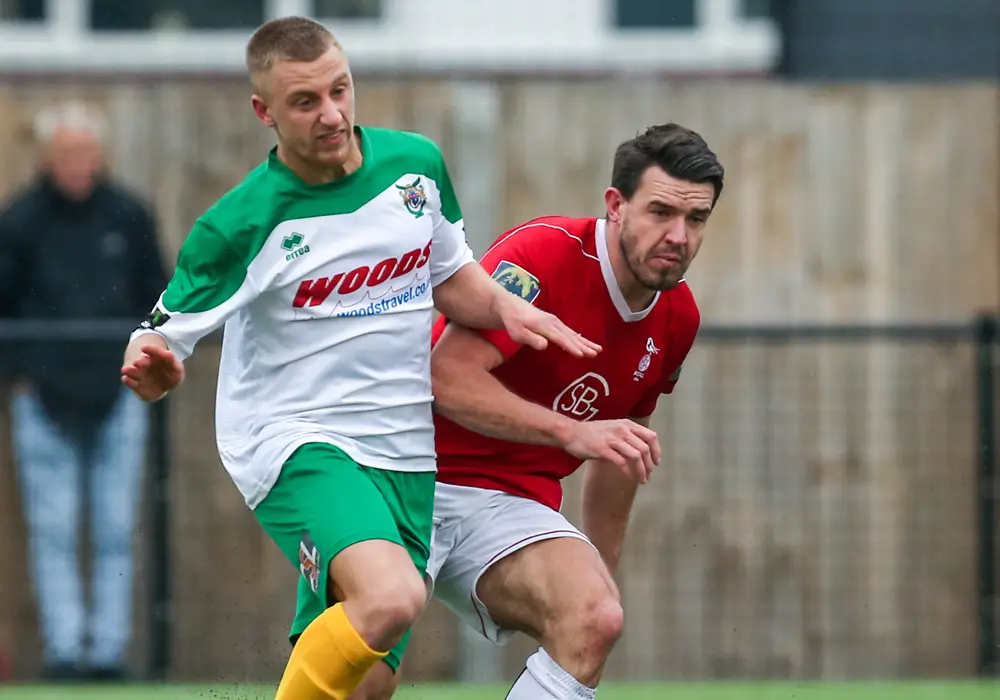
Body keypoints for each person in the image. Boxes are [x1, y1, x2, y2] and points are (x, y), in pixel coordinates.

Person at [118, 16, 612, 700]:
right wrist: (155, 371)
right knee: (392, 598)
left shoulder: (414, 167)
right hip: (299, 443)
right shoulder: (240, 224)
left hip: (404, 453)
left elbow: (450, 277)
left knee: (365, 685)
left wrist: (508, 308)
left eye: (340, 90)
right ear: (264, 111)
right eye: (305, 102)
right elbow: (156, 340)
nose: (332, 114)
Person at [350, 122, 724, 700]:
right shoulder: (545, 254)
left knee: (595, 618)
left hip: (507, 505)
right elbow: (446, 379)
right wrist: (571, 432)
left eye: (695, 219)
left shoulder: (678, 318)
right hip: (400, 476)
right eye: (661, 212)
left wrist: (598, 574)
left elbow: (618, 450)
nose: (678, 234)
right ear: (616, 205)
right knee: (364, 680)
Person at [0, 101, 167, 682]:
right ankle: (66, 650)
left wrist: (148, 366)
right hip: (41, 400)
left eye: (86, 152)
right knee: (53, 528)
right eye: (66, 152)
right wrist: (22, 375)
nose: (77, 163)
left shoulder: (128, 216)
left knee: (117, 527)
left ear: (100, 156)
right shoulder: (18, 221)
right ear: (48, 157)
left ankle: (107, 653)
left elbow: (159, 298)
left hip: (119, 393)